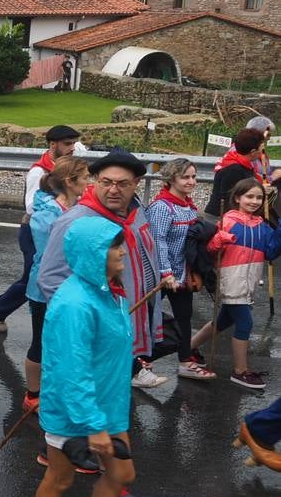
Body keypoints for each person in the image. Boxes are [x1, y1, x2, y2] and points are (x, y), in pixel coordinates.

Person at [25, 217, 137, 497]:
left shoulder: (109, 291)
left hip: (107, 406)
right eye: (113, 247)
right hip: (75, 412)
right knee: (60, 479)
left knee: (121, 472)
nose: (121, 251)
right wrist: (94, 426)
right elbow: (72, 372)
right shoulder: (75, 303)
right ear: (93, 254)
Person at [37, 150, 163, 393]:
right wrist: (84, 323)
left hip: (131, 317)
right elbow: (50, 279)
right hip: (97, 329)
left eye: (123, 184)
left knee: (114, 392)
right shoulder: (76, 221)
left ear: (136, 184)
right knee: (91, 394)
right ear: (95, 181)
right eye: (106, 182)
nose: (113, 190)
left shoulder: (137, 213)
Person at [0, 125, 81, 333]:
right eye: (67, 144)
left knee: (40, 275)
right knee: (36, 275)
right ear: (52, 144)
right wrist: (62, 203)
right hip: (35, 231)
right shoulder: (39, 171)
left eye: (73, 143)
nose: (72, 148)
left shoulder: (66, 166)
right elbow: (32, 206)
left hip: (56, 228)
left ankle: (0, 309)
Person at [188, 178, 281, 390]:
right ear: (238, 198)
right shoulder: (227, 221)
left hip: (248, 281)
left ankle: (187, 348)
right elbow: (210, 251)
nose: (254, 201)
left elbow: (271, 252)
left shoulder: (263, 226)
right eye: (249, 196)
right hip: (229, 279)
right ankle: (240, 371)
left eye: (259, 197)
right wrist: (217, 240)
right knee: (245, 323)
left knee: (222, 322)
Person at [23, 157, 94, 423]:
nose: (89, 183)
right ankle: (32, 393)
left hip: (74, 288)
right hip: (46, 289)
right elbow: (50, 256)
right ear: (70, 182)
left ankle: (58, 392)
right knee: (41, 342)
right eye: (85, 178)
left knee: (67, 343)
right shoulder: (46, 214)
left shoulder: (78, 207)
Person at [145, 158, 214, 382]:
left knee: (184, 317)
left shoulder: (188, 206)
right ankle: (138, 363)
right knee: (147, 317)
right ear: (171, 178)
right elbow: (158, 241)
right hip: (162, 275)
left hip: (183, 274)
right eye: (185, 177)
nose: (191, 181)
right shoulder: (162, 207)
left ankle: (185, 361)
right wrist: (166, 273)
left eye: (193, 176)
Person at [205, 127, 266, 217]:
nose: (263, 153)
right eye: (262, 149)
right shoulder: (233, 170)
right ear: (253, 151)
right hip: (221, 218)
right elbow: (228, 198)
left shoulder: (243, 164)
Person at [244, 115, 274, 179]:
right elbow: (248, 177)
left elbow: (265, 172)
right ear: (257, 133)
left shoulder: (260, 148)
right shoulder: (243, 150)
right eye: (268, 135)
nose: (269, 138)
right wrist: (272, 177)